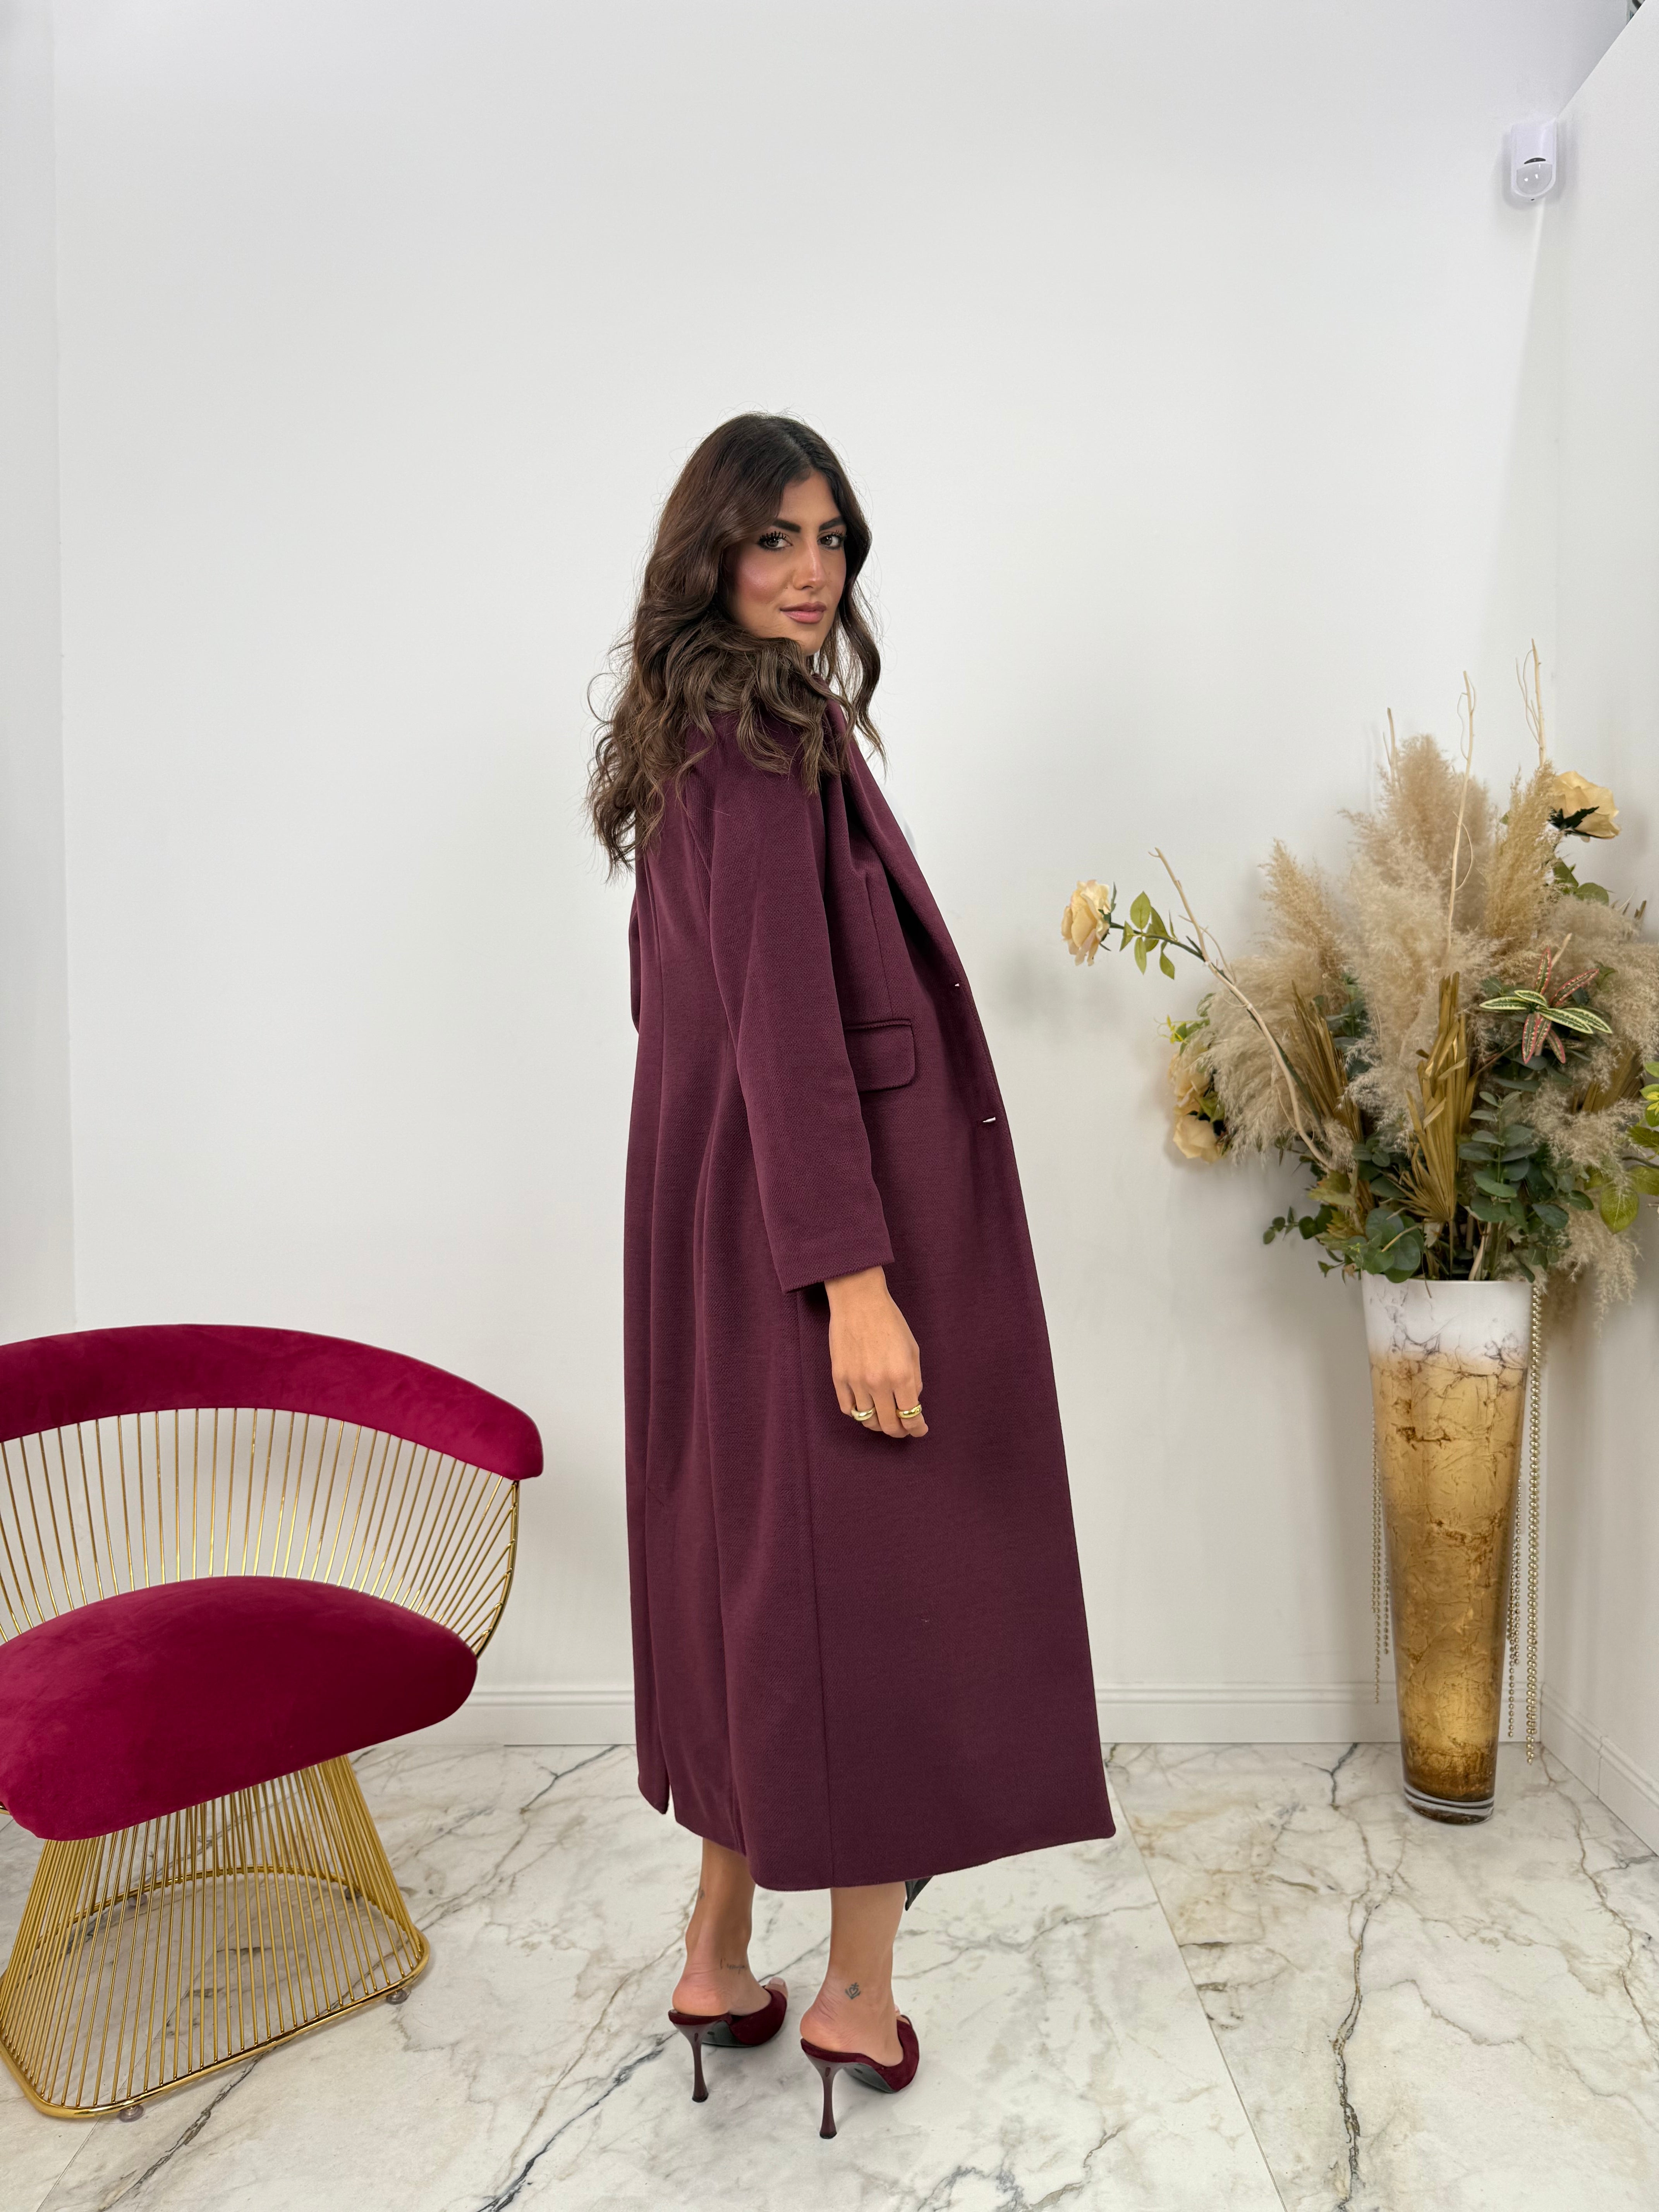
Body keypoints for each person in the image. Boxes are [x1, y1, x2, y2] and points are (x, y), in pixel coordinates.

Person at [588, 414, 1113, 2140]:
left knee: (761, 1589)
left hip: (717, 1227)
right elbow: (790, 1036)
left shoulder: (693, 733)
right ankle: (860, 1995)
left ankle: (715, 1957)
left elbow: (691, 1018)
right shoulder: (761, 742)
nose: (811, 570)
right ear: (711, 556)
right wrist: (855, 1283)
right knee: (875, 1594)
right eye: (776, 539)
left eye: (832, 539)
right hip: (816, 1231)